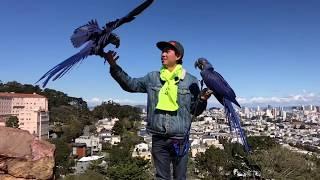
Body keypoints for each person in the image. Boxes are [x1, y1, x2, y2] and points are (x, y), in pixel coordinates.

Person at [102, 40, 210, 180]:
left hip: (180, 138)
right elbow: (131, 85)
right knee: (161, 177)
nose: (163, 54)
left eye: (167, 51)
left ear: (178, 56)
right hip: (158, 137)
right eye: (162, 51)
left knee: (180, 177)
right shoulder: (153, 77)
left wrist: (202, 100)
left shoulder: (191, 81)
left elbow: (195, 110)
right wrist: (114, 66)